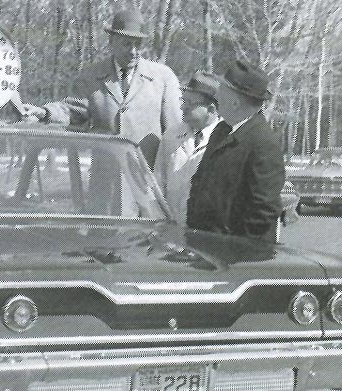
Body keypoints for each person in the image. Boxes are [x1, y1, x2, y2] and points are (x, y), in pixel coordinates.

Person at [21, 9, 182, 168]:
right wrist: (44, 112)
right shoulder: (91, 76)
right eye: (127, 44)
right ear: (111, 41)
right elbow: (72, 110)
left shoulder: (163, 78)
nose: (133, 51)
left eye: (138, 45)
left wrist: (172, 180)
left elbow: (175, 134)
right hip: (105, 179)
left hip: (146, 181)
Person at [186, 60, 284, 244]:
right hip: (206, 248)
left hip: (240, 259)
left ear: (235, 102)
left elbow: (264, 211)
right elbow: (200, 185)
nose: (217, 94)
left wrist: (233, 247)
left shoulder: (263, 143)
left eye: (222, 89)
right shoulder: (221, 131)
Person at [154, 71, 230, 226]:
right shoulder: (172, 135)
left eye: (190, 103)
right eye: (183, 101)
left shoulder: (227, 140)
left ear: (211, 110)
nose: (183, 108)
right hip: (171, 228)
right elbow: (158, 184)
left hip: (207, 232)